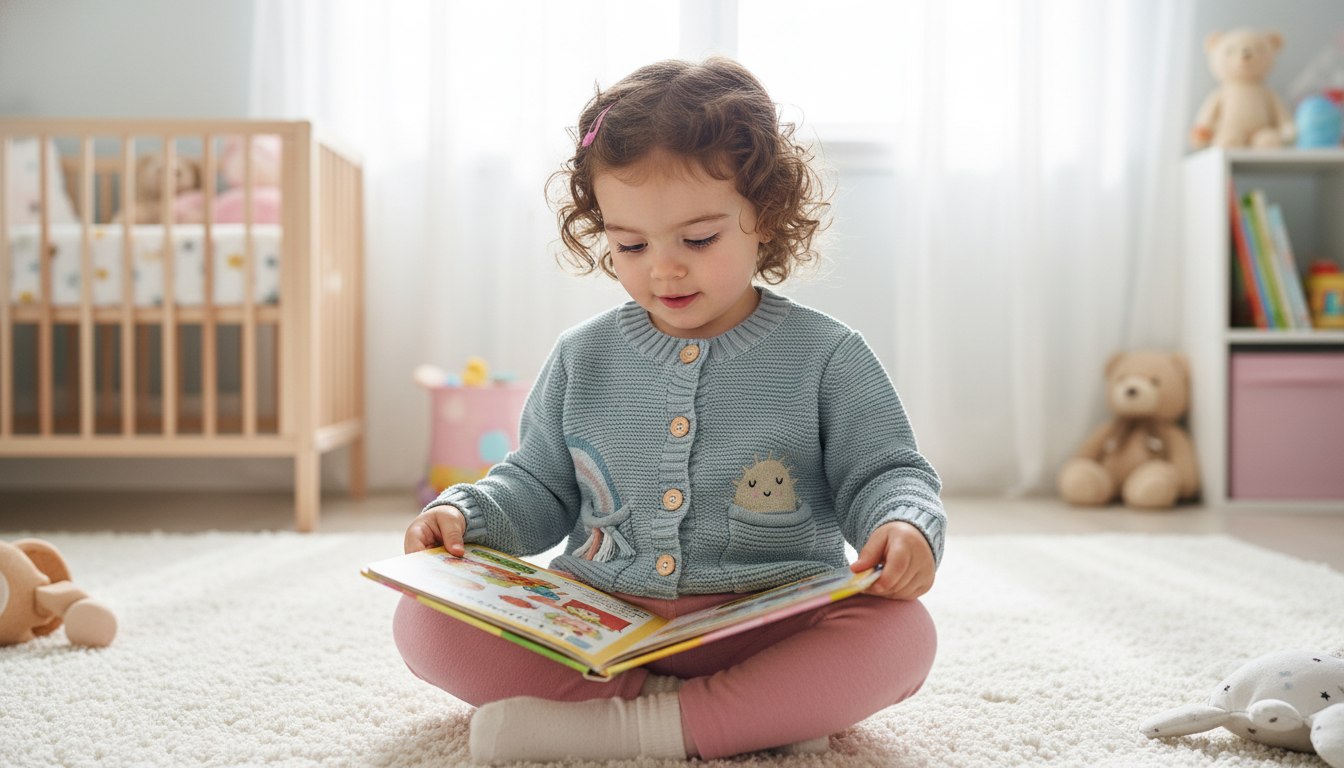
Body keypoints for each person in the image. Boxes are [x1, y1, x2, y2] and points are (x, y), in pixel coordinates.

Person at [395, 57, 944, 762]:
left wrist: (905, 523)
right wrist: (468, 515)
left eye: (698, 239)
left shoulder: (828, 355)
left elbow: (886, 470)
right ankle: (740, 715)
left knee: (903, 636)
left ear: (765, 218)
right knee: (424, 621)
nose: (663, 267)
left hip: (771, 618)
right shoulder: (581, 356)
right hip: (602, 627)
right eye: (630, 244)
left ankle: (645, 725)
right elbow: (535, 485)